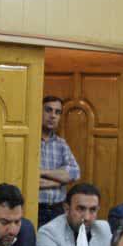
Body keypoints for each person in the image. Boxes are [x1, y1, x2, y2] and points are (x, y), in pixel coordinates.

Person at [36, 182, 112, 246]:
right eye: (81, 209)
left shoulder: (103, 229)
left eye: (93, 210)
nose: (87, 217)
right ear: (66, 209)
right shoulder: (49, 233)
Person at [38, 96, 81, 227]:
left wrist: (42, 172)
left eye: (57, 112)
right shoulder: (28, 141)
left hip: (58, 210)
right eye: (48, 110)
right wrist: (59, 181)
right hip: (34, 208)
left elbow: (74, 173)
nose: (53, 116)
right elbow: (30, 180)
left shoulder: (61, 144)